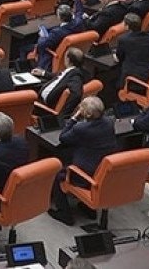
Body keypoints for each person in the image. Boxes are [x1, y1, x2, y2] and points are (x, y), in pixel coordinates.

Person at [49, 96, 117, 225]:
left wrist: (74, 118)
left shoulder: (81, 128)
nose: (79, 108)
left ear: (88, 114)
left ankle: (64, 213)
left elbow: (63, 138)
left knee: (57, 175)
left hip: (84, 175)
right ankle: (89, 209)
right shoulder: (109, 122)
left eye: (81, 107)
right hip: (102, 171)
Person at [114, 13, 149, 106]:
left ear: (127, 26)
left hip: (133, 79)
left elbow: (119, 57)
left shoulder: (123, 39)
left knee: (114, 81)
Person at [36, 47, 89, 116]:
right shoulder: (73, 70)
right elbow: (60, 77)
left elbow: (77, 94)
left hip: (43, 107)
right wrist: (43, 73)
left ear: (68, 59)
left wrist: (63, 115)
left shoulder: (76, 75)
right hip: (42, 94)